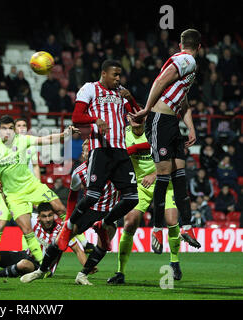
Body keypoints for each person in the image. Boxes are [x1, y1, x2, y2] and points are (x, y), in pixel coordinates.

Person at [0, 115, 78, 265]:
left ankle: (75, 239)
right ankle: (42, 265)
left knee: (60, 208)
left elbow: (46, 139)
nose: (8, 132)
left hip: (32, 187)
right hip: (14, 195)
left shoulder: (22, 140)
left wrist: (64, 135)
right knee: (27, 230)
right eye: (4, 129)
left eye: (11, 128)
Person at [130, 29, 202, 252]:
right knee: (163, 176)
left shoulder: (185, 64)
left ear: (181, 44)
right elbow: (160, 80)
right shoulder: (186, 60)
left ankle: (187, 226)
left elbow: (183, 101)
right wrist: (146, 110)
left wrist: (190, 128)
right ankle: (157, 229)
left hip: (172, 124)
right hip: (159, 120)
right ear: (199, 47)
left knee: (179, 175)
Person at [58, 59, 140, 253]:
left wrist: (132, 99)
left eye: (120, 75)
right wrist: (95, 120)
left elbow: (139, 119)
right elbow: (76, 117)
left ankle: (105, 222)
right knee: (93, 195)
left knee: (132, 198)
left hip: (120, 150)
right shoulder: (89, 89)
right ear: (104, 74)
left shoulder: (122, 93)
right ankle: (69, 226)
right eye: (115, 75)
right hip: (101, 149)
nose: (119, 78)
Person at [20, 140, 118, 285]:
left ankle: (82, 275)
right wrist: (68, 220)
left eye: (91, 149)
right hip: (88, 210)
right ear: (83, 155)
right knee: (61, 239)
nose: (88, 153)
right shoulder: (79, 172)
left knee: (103, 245)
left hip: (109, 212)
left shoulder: (115, 167)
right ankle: (41, 270)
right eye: (85, 151)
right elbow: (72, 197)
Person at [107, 115, 181, 285]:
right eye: (133, 118)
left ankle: (174, 262)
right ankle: (120, 272)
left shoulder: (155, 133)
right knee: (129, 222)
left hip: (162, 181)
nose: (136, 121)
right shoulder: (123, 135)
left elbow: (173, 160)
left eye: (140, 118)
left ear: (145, 118)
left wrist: (154, 174)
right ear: (128, 119)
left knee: (171, 220)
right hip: (140, 185)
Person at [0, 202, 87, 279]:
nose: (48, 219)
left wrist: (87, 267)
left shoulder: (62, 231)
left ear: (54, 215)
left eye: (50, 215)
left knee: (23, 265)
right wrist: (3, 192)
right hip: (25, 255)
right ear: (39, 217)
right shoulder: (33, 221)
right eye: (44, 216)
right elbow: (13, 207)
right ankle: (12, 272)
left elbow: (78, 250)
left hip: (44, 268)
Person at [0, 118, 41, 260]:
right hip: (7, 192)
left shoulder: (30, 145)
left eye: (24, 125)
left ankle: (25, 257)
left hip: (25, 191)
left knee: (25, 227)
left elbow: (36, 167)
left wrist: (36, 191)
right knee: (0, 225)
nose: (21, 127)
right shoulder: (4, 145)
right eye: (19, 125)